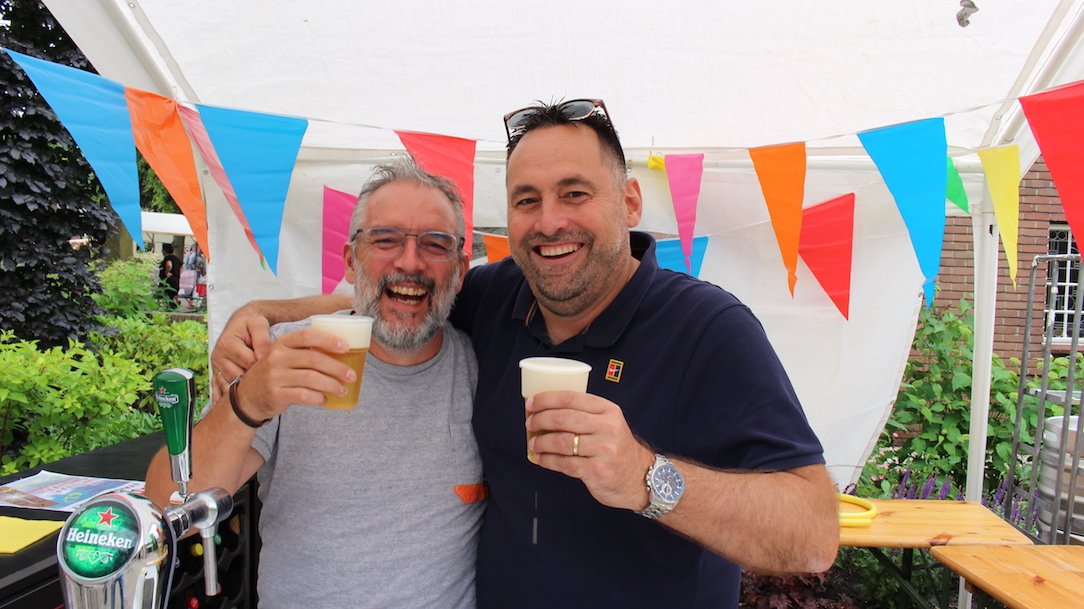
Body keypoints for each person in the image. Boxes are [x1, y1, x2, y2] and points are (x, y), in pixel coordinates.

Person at [212, 100, 839, 608]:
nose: (549, 221)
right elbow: (402, 291)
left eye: (575, 193)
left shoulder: (707, 329)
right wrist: (267, 313)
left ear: (629, 203)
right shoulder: (497, 296)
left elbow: (813, 536)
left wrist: (646, 478)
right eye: (527, 199)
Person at [146, 157, 485, 609]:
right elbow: (168, 507)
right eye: (385, 240)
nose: (410, 261)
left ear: (460, 271)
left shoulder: (485, 367)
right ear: (351, 261)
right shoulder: (286, 354)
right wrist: (247, 403)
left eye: (435, 244)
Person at [159, 243, 182, 309]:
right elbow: (182, 265)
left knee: (164, 295)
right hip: (176, 280)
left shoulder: (167, 258)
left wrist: (167, 272)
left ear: (165, 250)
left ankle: (171, 307)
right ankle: (173, 306)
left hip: (168, 281)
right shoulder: (176, 259)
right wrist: (179, 273)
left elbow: (169, 264)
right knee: (172, 296)